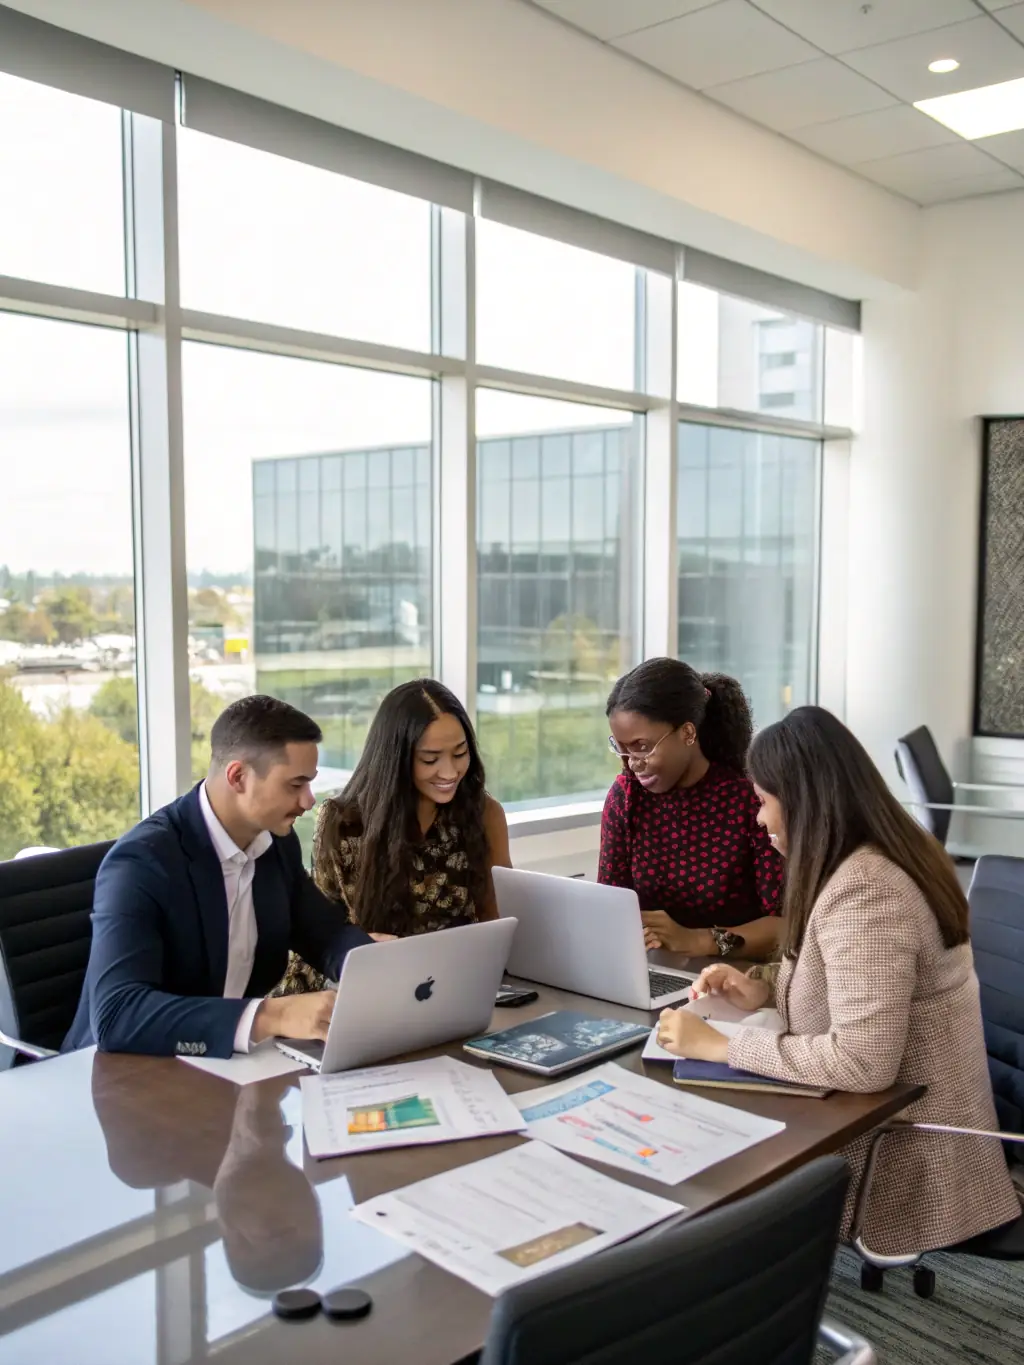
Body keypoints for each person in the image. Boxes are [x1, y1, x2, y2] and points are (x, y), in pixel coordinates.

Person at [657, 705, 1020, 1257]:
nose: (759, 819)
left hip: (906, 1155)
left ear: (802, 802)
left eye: (762, 802)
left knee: (706, 1171)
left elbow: (862, 1062)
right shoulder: (865, 857)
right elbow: (838, 979)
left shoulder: (869, 891)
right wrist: (762, 986)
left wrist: (724, 1046)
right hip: (879, 1116)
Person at [64, 695, 377, 1058]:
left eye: (310, 784)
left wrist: (377, 970)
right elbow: (118, 1015)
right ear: (238, 776)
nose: (309, 801)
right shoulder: (142, 863)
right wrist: (271, 1015)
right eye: (295, 785)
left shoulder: (275, 844)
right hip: (121, 1072)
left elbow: (326, 934)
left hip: (224, 1067)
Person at [274, 678, 511, 994]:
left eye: (460, 753)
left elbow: (499, 925)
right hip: (349, 987)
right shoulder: (343, 821)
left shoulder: (484, 814)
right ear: (396, 758)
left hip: (446, 988)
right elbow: (324, 936)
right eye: (430, 759)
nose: (450, 772)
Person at [599, 658, 783, 961]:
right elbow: (609, 903)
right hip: (651, 970)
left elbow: (785, 925)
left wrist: (698, 940)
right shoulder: (626, 797)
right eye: (622, 747)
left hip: (734, 978)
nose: (632, 762)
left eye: (642, 746)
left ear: (687, 733)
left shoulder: (750, 802)